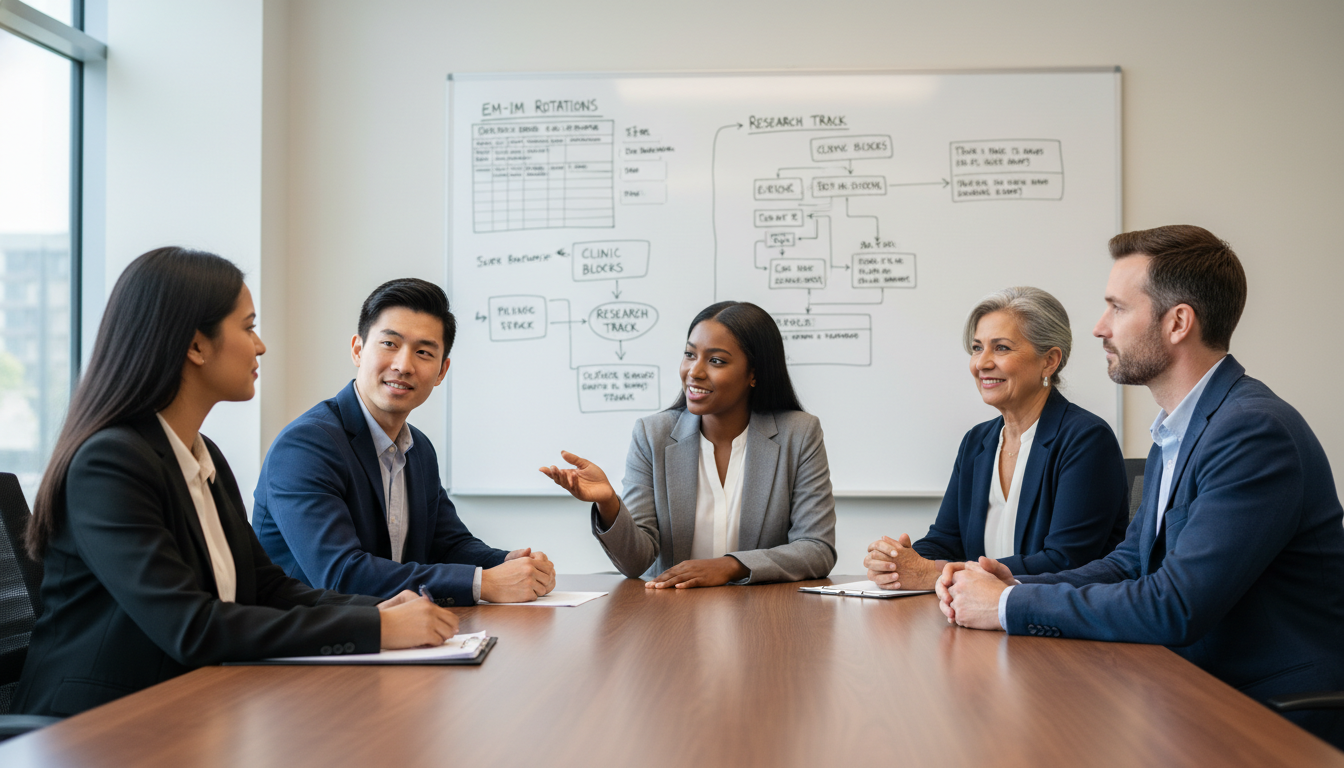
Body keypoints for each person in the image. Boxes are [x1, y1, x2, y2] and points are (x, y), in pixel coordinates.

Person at [937, 225, 1344, 748]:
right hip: (1186, 690)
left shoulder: (1252, 432)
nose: (1099, 328)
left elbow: (1175, 605)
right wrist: (1013, 583)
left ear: (1177, 323)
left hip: (1265, 714)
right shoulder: (1178, 430)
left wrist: (1004, 607)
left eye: (1117, 308)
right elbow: (1130, 562)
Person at [15, 248, 458, 717]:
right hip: (97, 724)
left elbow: (267, 588)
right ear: (196, 345)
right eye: (248, 327)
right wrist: (377, 629)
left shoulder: (202, 454)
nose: (260, 346)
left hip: (191, 704)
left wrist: (375, 612)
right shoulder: (109, 463)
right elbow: (191, 626)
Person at [252, 278, 555, 605]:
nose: (403, 365)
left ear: (441, 371)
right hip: (311, 631)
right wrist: (483, 583)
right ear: (357, 350)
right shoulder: (306, 445)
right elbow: (341, 575)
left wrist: (509, 563)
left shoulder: (418, 448)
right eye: (389, 344)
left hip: (391, 627)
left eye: (423, 352)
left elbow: (448, 545)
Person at [540, 301, 836, 588]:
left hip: (761, 611)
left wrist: (730, 566)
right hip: (672, 611)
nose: (694, 371)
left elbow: (817, 548)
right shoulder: (652, 435)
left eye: (716, 360)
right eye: (690, 355)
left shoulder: (798, 434)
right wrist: (609, 503)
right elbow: (636, 564)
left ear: (754, 374)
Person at [862, 287, 1128, 590]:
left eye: (1000, 348)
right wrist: (899, 562)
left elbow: (1064, 561)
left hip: (1053, 614)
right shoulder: (977, 441)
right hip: (980, 610)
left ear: (1049, 361)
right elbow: (946, 540)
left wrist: (933, 573)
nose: (982, 363)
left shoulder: (1086, 439)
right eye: (977, 348)